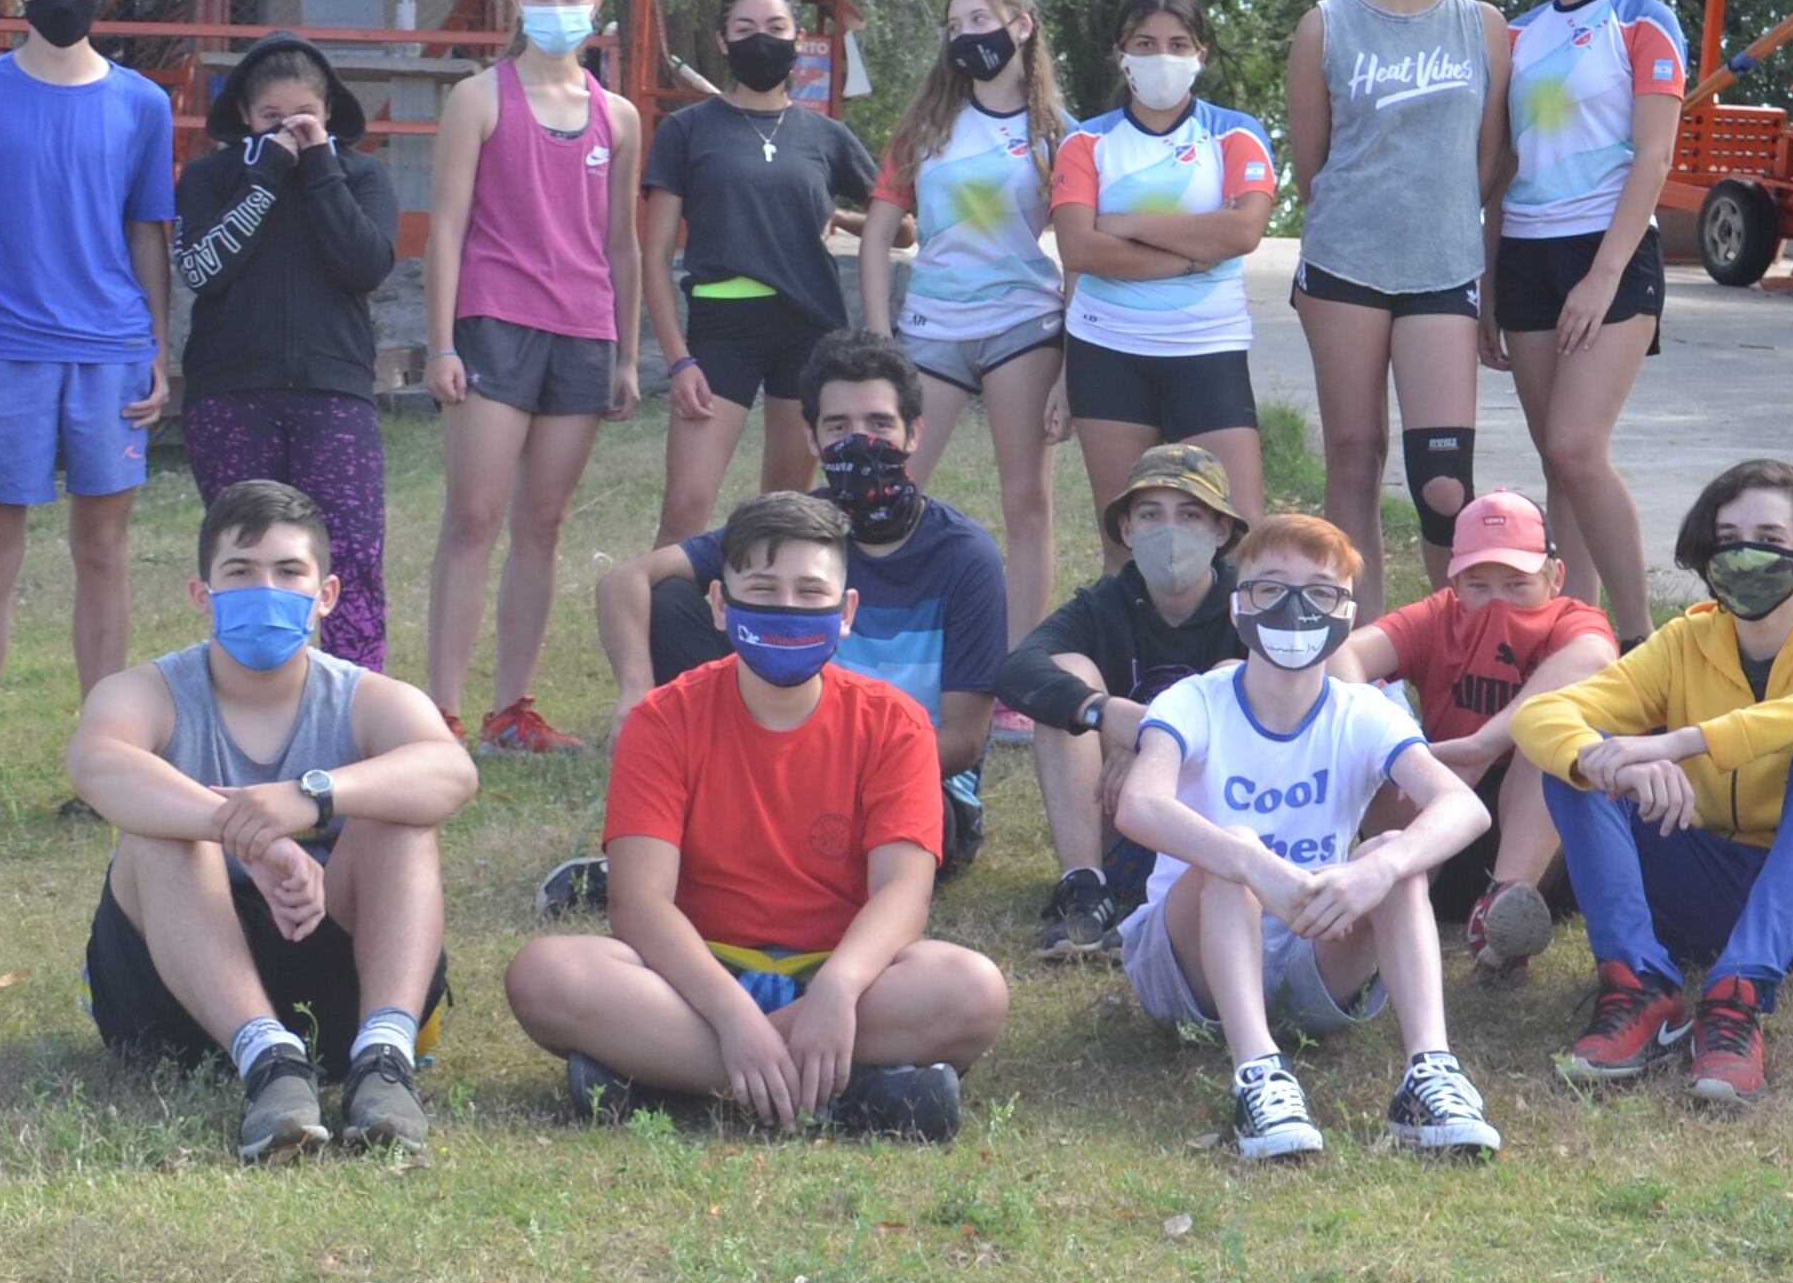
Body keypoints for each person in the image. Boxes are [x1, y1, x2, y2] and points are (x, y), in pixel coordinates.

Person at [505, 491, 1008, 1137]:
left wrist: (837, 990)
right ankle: (844, 1092)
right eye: (763, 590)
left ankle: (679, 1085)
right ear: (720, 603)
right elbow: (638, 904)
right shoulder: (664, 719)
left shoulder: (896, 724)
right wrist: (734, 1019)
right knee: (547, 974)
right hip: (693, 979)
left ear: (846, 611)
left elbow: (904, 897)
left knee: (972, 989)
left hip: (846, 978)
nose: (787, 610)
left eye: (810, 592)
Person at [73, 479, 480, 1160]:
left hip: (336, 975)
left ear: (326, 595)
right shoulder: (145, 691)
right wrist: (244, 833)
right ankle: (268, 1062)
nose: (265, 587)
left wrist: (310, 795)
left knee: (399, 808)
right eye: (240, 571)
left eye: (289, 571)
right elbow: (95, 764)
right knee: (157, 827)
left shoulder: (367, 697)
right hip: (173, 1003)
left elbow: (452, 773)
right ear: (200, 595)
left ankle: (384, 1057)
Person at [1514, 461, 1793, 1109]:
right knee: (1583, 763)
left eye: (1767, 536)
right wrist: (1612, 759)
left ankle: (1738, 999)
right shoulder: (1683, 642)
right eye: (1727, 538)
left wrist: (1684, 741)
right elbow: (1542, 715)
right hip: (1713, 891)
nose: (1744, 553)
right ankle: (1640, 988)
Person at [1112, 512, 1500, 1163]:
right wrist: (1250, 861)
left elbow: (1462, 807)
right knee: (1228, 852)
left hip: (1313, 944)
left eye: (1320, 591)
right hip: (1185, 964)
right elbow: (1138, 805)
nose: (1295, 607)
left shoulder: (1365, 711)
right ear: (1239, 607)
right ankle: (1257, 1073)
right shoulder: (1194, 700)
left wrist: (1381, 867)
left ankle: (1430, 1072)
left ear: (1346, 614)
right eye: (1270, 587)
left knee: (1392, 859)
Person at [0, 0, 179, 827]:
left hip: (111, 355)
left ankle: (107, 765)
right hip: (2, 354)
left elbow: (151, 234)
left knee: (102, 554)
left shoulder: (143, 103)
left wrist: (158, 349)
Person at [591, 333, 1009, 897]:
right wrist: (637, 696)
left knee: (871, 833)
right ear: (810, 437)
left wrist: (828, 778)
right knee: (671, 605)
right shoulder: (790, 532)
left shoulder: (966, 556)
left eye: (879, 424)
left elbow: (963, 737)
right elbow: (626, 581)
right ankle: (737, 838)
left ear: (914, 433)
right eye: (838, 426)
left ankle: (726, 848)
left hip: (907, 783)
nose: (860, 440)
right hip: (778, 765)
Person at [422, 0, 642, 755]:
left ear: (597, 7)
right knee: (473, 517)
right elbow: (444, 229)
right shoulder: (479, 99)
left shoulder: (618, 117)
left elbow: (621, 245)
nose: (559, 9)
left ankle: (512, 709)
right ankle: (438, 714)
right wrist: (440, 343)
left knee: (541, 523)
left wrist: (624, 352)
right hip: (494, 323)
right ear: (517, 1)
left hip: (582, 332)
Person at [1285, 0, 1506, 611]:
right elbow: (1312, 164)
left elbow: (1489, 158)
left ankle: (1453, 646)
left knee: (1443, 482)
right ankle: (1361, 656)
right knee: (1353, 457)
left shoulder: (1482, 27)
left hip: (1442, 271)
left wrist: (1439, 218)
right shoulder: (1326, 25)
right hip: (1345, 266)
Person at [1488, 0, 1682, 638]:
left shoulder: (1644, 20)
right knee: (1555, 464)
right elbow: (1501, 164)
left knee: (1576, 447)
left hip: (1611, 254)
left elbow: (1656, 157)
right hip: (1525, 256)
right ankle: (1580, 638)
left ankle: (1639, 645)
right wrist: (1489, 286)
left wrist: (1604, 275)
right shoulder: (1515, 33)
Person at [175, 34, 405, 667]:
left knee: (351, 553)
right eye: (271, 118)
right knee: (248, 558)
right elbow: (201, 269)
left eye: (303, 116)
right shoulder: (209, 177)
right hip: (229, 393)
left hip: (334, 395)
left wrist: (321, 168)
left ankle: (357, 705)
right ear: (246, 117)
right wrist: (265, 177)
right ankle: (251, 699)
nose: (288, 129)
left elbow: (364, 265)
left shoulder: (361, 175)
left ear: (328, 113)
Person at [859, 0, 1074, 645]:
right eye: (955, 26)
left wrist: (1071, 370)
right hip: (929, 331)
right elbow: (875, 237)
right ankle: (865, 647)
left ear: (1022, 26)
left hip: (1024, 327)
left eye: (980, 19)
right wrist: (878, 342)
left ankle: (1016, 671)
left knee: (1026, 505)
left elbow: (1082, 255)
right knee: (881, 496)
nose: (966, 35)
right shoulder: (926, 125)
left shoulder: (1060, 133)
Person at [641, 0, 881, 545]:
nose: (761, 40)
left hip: (810, 329)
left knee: (787, 510)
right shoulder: (687, 130)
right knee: (685, 508)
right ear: (723, 41)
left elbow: (904, 227)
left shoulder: (828, 136)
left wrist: (843, 218)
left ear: (798, 40)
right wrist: (678, 361)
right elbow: (653, 258)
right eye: (745, 29)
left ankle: (766, 626)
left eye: (776, 29)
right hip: (722, 329)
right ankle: (665, 630)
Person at [1339, 489, 1612, 972]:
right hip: (1436, 816)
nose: (1496, 603)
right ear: (1455, 580)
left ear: (1556, 578)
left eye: (1516, 584)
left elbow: (1594, 659)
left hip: (1537, 843)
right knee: (1364, 731)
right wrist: (1396, 740)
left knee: (1553, 731)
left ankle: (1500, 918)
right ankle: (1401, 894)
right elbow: (1343, 657)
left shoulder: (1575, 621)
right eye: (1479, 585)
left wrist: (1483, 745)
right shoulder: (1437, 616)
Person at [996, 441, 1246, 961]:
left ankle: (1214, 884)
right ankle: (1084, 887)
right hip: (1115, 812)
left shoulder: (1251, 600)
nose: (1169, 531)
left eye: (1190, 514)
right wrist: (1106, 714)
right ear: (1127, 530)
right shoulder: (1103, 603)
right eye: (1150, 514)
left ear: (1221, 531)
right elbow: (1017, 670)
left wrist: (1151, 742)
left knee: (1235, 676)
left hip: (1218, 814)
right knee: (1067, 677)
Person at [1048, 0, 1274, 527]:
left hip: (1208, 349)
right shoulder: (1084, 143)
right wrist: (1194, 253)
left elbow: (1243, 231)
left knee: (1236, 531)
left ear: (1201, 55)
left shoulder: (1236, 132)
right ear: (1120, 55)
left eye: (1178, 44)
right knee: (1126, 539)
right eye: (1144, 44)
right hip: (1106, 351)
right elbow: (1080, 246)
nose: (1162, 58)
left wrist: (1127, 225)